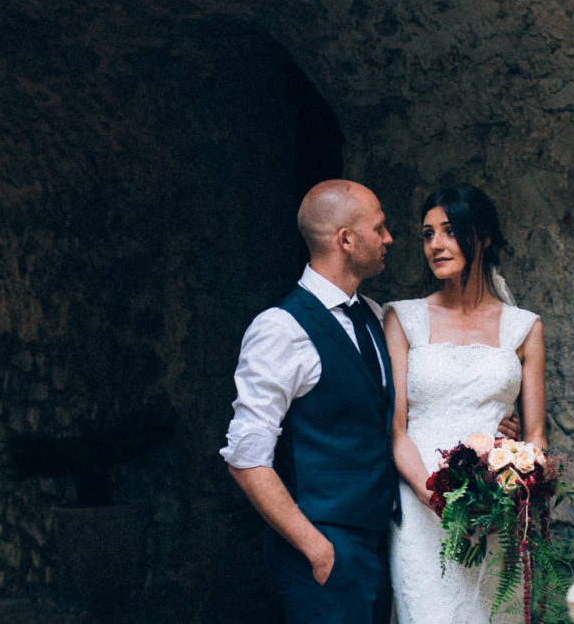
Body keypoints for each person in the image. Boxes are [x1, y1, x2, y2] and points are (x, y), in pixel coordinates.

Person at [221, 179, 398, 624]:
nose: (388, 238)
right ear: (346, 240)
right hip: (323, 550)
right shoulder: (281, 329)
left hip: (378, 545)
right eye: (379, 228)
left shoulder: (374, 316)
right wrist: (316, 548)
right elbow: (246, 457)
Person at [384, 182, 546, 624]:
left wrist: (510, 489)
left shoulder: (524, 328)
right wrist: (434, 496)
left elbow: (535, 438)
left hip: (494, 515)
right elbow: (395, 430)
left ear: (484, 236)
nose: (436, 244)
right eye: (428, 233)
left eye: (450, 231)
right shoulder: (403, 319)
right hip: (420, 510)